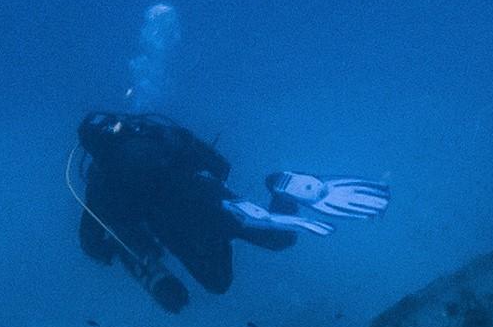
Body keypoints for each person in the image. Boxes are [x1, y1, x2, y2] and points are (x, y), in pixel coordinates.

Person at [69, 110, 388, 311]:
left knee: (218, 283)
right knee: (282, 239)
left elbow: (91, 241)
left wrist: (116, 252)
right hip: (217, 201)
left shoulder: (100, 182)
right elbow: (220, 165)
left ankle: (226, 236)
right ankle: (281, 187)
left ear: (92, 150)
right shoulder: (155, 133)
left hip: (183, 232)